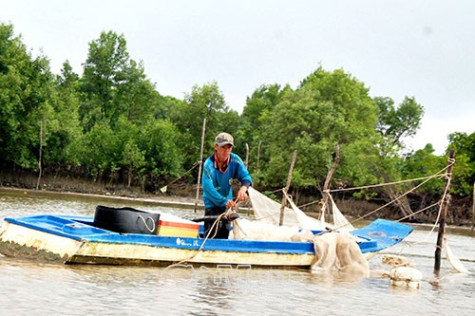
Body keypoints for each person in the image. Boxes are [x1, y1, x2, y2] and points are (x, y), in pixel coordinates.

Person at [202, 132, 252, 239]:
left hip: (228, 204)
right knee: (211, 233)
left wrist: (243, 189)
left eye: (229, 147)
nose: (226, 150)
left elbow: (246, 177)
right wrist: (224, 201)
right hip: (212, 203)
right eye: (223, 147)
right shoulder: (208, 165)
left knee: (224, 233)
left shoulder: (235, 160)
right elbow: (208, 189)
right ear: (216, 146)